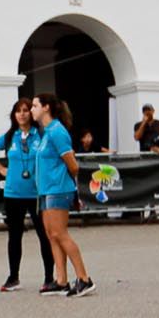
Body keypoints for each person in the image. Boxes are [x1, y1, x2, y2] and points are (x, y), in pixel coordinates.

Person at [0, 97, 55, 293]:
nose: (22, 114)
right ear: (14, 115)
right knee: (14, 236)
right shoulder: (10, 136)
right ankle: (13, 277)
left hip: (37, 192)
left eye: (26, 110)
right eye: (18, 111)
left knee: (44, 235)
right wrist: (2, 170)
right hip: (13, 193)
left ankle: (49, 277)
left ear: (31, 113)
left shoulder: (42, 134)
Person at [33, 94, 94, 297]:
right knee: (51, 235)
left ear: (46, 108)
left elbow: (73, 165)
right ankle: (61, 281)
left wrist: (61, 181)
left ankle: (84, 278)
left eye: (34, 106)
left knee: (60, 233)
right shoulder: (46, 132)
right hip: (45, 189)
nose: (32, 109)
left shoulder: (57, 131)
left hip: (58, 189)